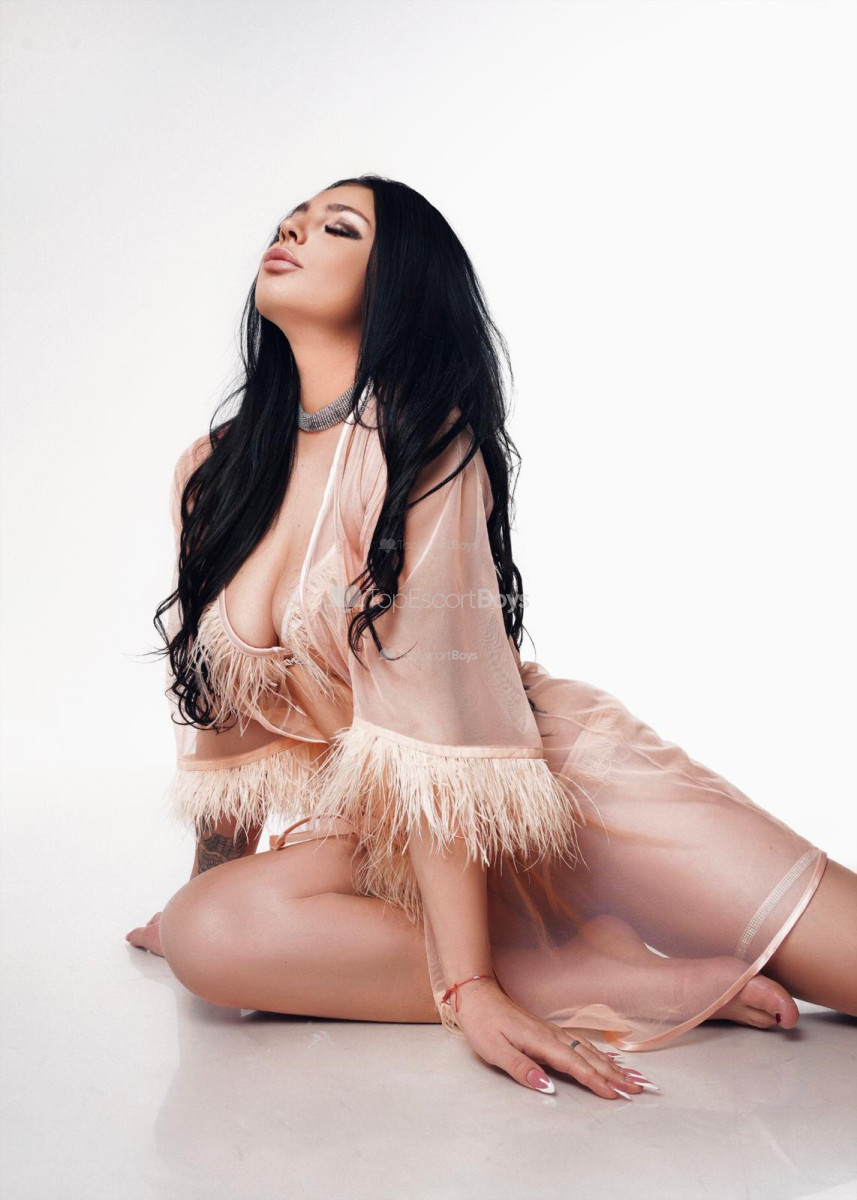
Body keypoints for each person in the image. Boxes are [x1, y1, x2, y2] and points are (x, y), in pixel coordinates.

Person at [126, 174, 857, 1101]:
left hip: (554, 791)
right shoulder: (214, 472)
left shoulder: (419, 441)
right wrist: (197, 887)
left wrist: (470, 983)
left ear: (397, 282)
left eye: (337, 228)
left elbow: (439, 723)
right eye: (289, 223)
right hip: (392, 835)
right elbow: (225, 720)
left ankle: (522, 963)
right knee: (209, 933)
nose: (294, 233)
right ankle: (591, 971)